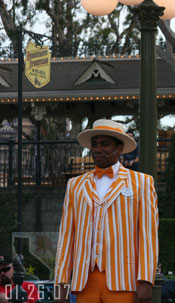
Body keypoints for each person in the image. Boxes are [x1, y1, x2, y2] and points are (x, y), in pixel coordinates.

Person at [55, 119, 159, 303]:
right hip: (84, 282)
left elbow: (148, 236)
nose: (97, 149)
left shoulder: (142, 183)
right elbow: (66, 237)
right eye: (94, 144)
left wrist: (146, 280)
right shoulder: (75, 185)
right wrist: (60, 282)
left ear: (119, 148)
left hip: (124, 279)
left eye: (105, 144)